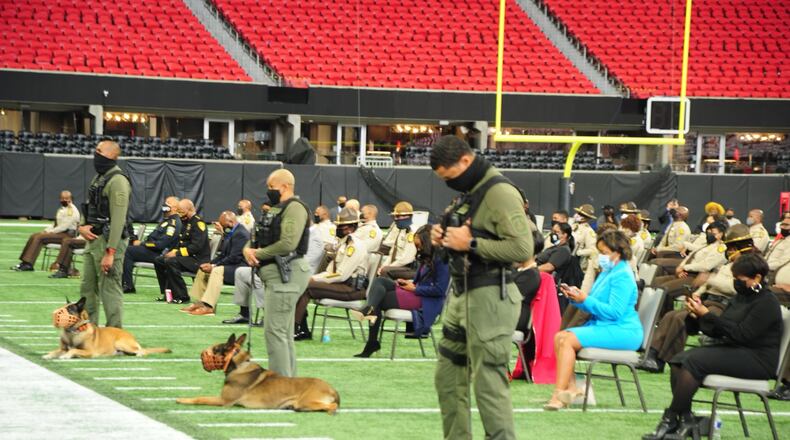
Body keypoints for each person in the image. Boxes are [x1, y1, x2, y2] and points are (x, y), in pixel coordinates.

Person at [429, 135, 532, 440]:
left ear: (464, 161)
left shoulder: (499, 192)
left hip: (491, 296)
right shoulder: (471, 190)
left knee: (488, 385)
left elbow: (523, 249)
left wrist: (471, 243)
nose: (450, 183)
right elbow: (467, 231)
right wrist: (444, 236)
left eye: (450, 177)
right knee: (447, 379)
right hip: (462, 294)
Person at [642, 253, 782, 440]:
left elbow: (742, 335)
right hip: (736, 350)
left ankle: (671, 419)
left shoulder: (767, 302)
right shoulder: (741, 297)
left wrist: (707, 315)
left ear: (757, 278)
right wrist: (696, 317)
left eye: (740, 279)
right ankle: (685, 418)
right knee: (678, 360)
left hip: (758, 359)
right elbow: (719, 329)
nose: (735, 283)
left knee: (694, 361)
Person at [546, 230, 643, 410]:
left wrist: (585, 300)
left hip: (623, 331)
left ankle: (558, 394)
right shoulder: (608, 272)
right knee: (560, 336)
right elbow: (594, 303)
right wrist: (576, 298)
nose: (601, 257)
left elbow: (614, 312)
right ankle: (571, 388)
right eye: (600, 252)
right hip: (608, 326)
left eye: (605, 253)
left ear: (619, 252)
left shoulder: (622, 275)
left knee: (566, 339)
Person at [640, 224, 756, 373]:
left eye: (733, 247)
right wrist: (697, 294)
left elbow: (734, 288)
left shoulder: (750, 265)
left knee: (680, 318)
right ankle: (652, 354)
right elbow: (707, 284)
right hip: (708, 301)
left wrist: (711, 279)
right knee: (671, 315)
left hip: (723, 307)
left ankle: (668, 360)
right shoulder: (730, 263)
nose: (730, 250)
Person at [243, 169, 312, 377]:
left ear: (285, 187)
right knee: (281, 333)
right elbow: (259, 235)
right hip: (278, 274)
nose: (269, 191)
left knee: (275, 332)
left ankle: (280, 386)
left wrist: (259, 253)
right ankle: (288, 382)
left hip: (286, 274)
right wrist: (248, 249)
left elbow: (288, 243)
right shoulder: (277, 209)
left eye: (272, 187)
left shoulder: (295, 208)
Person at [350, 225, 449, 357]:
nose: (418, 249)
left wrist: (415, 288)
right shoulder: (428, 258)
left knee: (379, 299)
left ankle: (371, 339)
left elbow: (440, 290)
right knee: (380, 281)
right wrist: (410, 283)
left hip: (426, 302)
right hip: (417, 293)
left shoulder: (442, 260)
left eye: (419, 245)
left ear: (427, 243)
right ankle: (370, 313)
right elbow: (423, 281)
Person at [293, 207, 369, 341]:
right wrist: (313, 278)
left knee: (307, 286)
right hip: (343, 285)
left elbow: (341, 275)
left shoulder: (354, 245)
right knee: (305, 283)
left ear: (351, 227)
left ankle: (296, 329)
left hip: (352, 288)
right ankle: (299, 329)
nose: (338, 228)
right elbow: (330, 271)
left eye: (341, 226)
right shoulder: (344, 243)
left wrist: (313, 280)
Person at [77, 141, 131, 328]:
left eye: (99, 151)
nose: (95, 154)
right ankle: (89, 329)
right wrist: (82, 226)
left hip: (109, 242)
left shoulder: (118, 181)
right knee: (87, 288)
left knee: (109, 289)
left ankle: (115, 332)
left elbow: (118, 219)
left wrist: (111, 252)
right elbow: (89, 205)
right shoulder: (99, 178)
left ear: (110, 154)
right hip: (93, 240)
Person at [651, 221, 728, 316]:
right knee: (656, 281)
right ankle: (652, 313)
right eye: (709, 232)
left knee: (664, 289)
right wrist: (680, 268)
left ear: (721, 234)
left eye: (713, 232)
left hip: (697, 278)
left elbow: (705, 266)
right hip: (685, 272)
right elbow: (690, 256)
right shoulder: (706, 245)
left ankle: (660, 317)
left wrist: (684, 267)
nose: (709, 234)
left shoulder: (721, 248)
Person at [181, 211, 249, 316]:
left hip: (240, 267)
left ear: (231, 221)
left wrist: (214, 266)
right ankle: (200, 303)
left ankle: (209, 306)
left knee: (216, 271)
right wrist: (209, 264)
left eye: (223, 225)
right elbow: (223, 255)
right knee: (203, 269)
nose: (222, 227)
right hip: (232, 265)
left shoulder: (241, 233)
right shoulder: (232, 233)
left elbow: (234, 257)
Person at [153, 199, 210, 304]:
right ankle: (168, 294)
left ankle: (182, 296)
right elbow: (181, 242)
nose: (179, 214)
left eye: (181, 211)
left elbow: (196, 247)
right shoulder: (186, 222)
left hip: (198, 259)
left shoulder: (198, 223)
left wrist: (177, 253)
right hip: (188, 257)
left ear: (189, 209)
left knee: (171, 262)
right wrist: (173, 251)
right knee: (159, 260)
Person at [120, 196, 181, 293]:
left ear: (175, 208)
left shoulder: (173, 223)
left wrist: (142, 244)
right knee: (127, 247)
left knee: (128, 251)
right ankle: (124, 282)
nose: (165, 205)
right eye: (165, 202)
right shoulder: (166, 221)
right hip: (152, 250)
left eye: (168, 203)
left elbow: (161, 245)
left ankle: (128, 285)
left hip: (159, 254)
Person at [11, 190, 81, 272]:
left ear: (71, 199)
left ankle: (28, 264)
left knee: (39, 237)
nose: (64, 200)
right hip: (59, 233)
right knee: (34, 235)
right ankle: (24, 262)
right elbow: (56, 224)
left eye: (66, 198)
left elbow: (64, 226)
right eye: (62, 198)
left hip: (67, 235)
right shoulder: (63, 209)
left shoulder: (71, 210)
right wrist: (46, 230)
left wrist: (51, 232)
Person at [377, 201, 418, 280]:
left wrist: (388, 267)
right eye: (395, 216)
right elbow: (392, 252)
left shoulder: (412, 233)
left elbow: (406, 259)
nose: (396, 219)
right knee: (379, 268)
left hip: (408, 267)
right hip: (397, 265)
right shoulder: (401, 230)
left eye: (398, 216)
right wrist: (383, 266)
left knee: (385, 271)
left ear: (409, 216)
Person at [572, 204, 597, 271]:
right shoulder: (573, 226)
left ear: (587, 218)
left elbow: (593, 250)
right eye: (578, 213)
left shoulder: (588, 231)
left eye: (581, 214)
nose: (577, 215)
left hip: (578, 264)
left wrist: (578, 253)